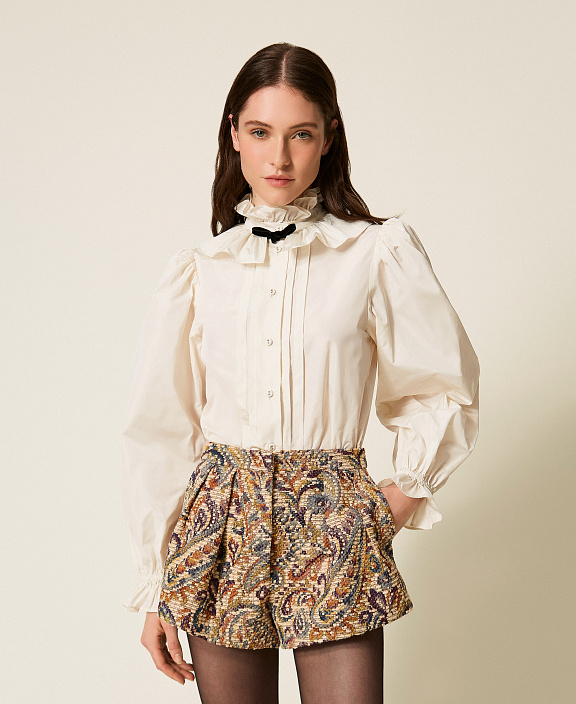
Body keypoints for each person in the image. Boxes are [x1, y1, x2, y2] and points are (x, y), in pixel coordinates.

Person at [120, 42, 480, 704]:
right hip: (221, 523)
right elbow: (162, 431)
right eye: (260, 132)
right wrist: (155, 585)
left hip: (333, 514)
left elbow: (441, 387)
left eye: (301, 134)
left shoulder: (375, 252)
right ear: (234, 134)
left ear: (329, 137)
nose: (279, 158)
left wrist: (398, 497)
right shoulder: (200, 269)